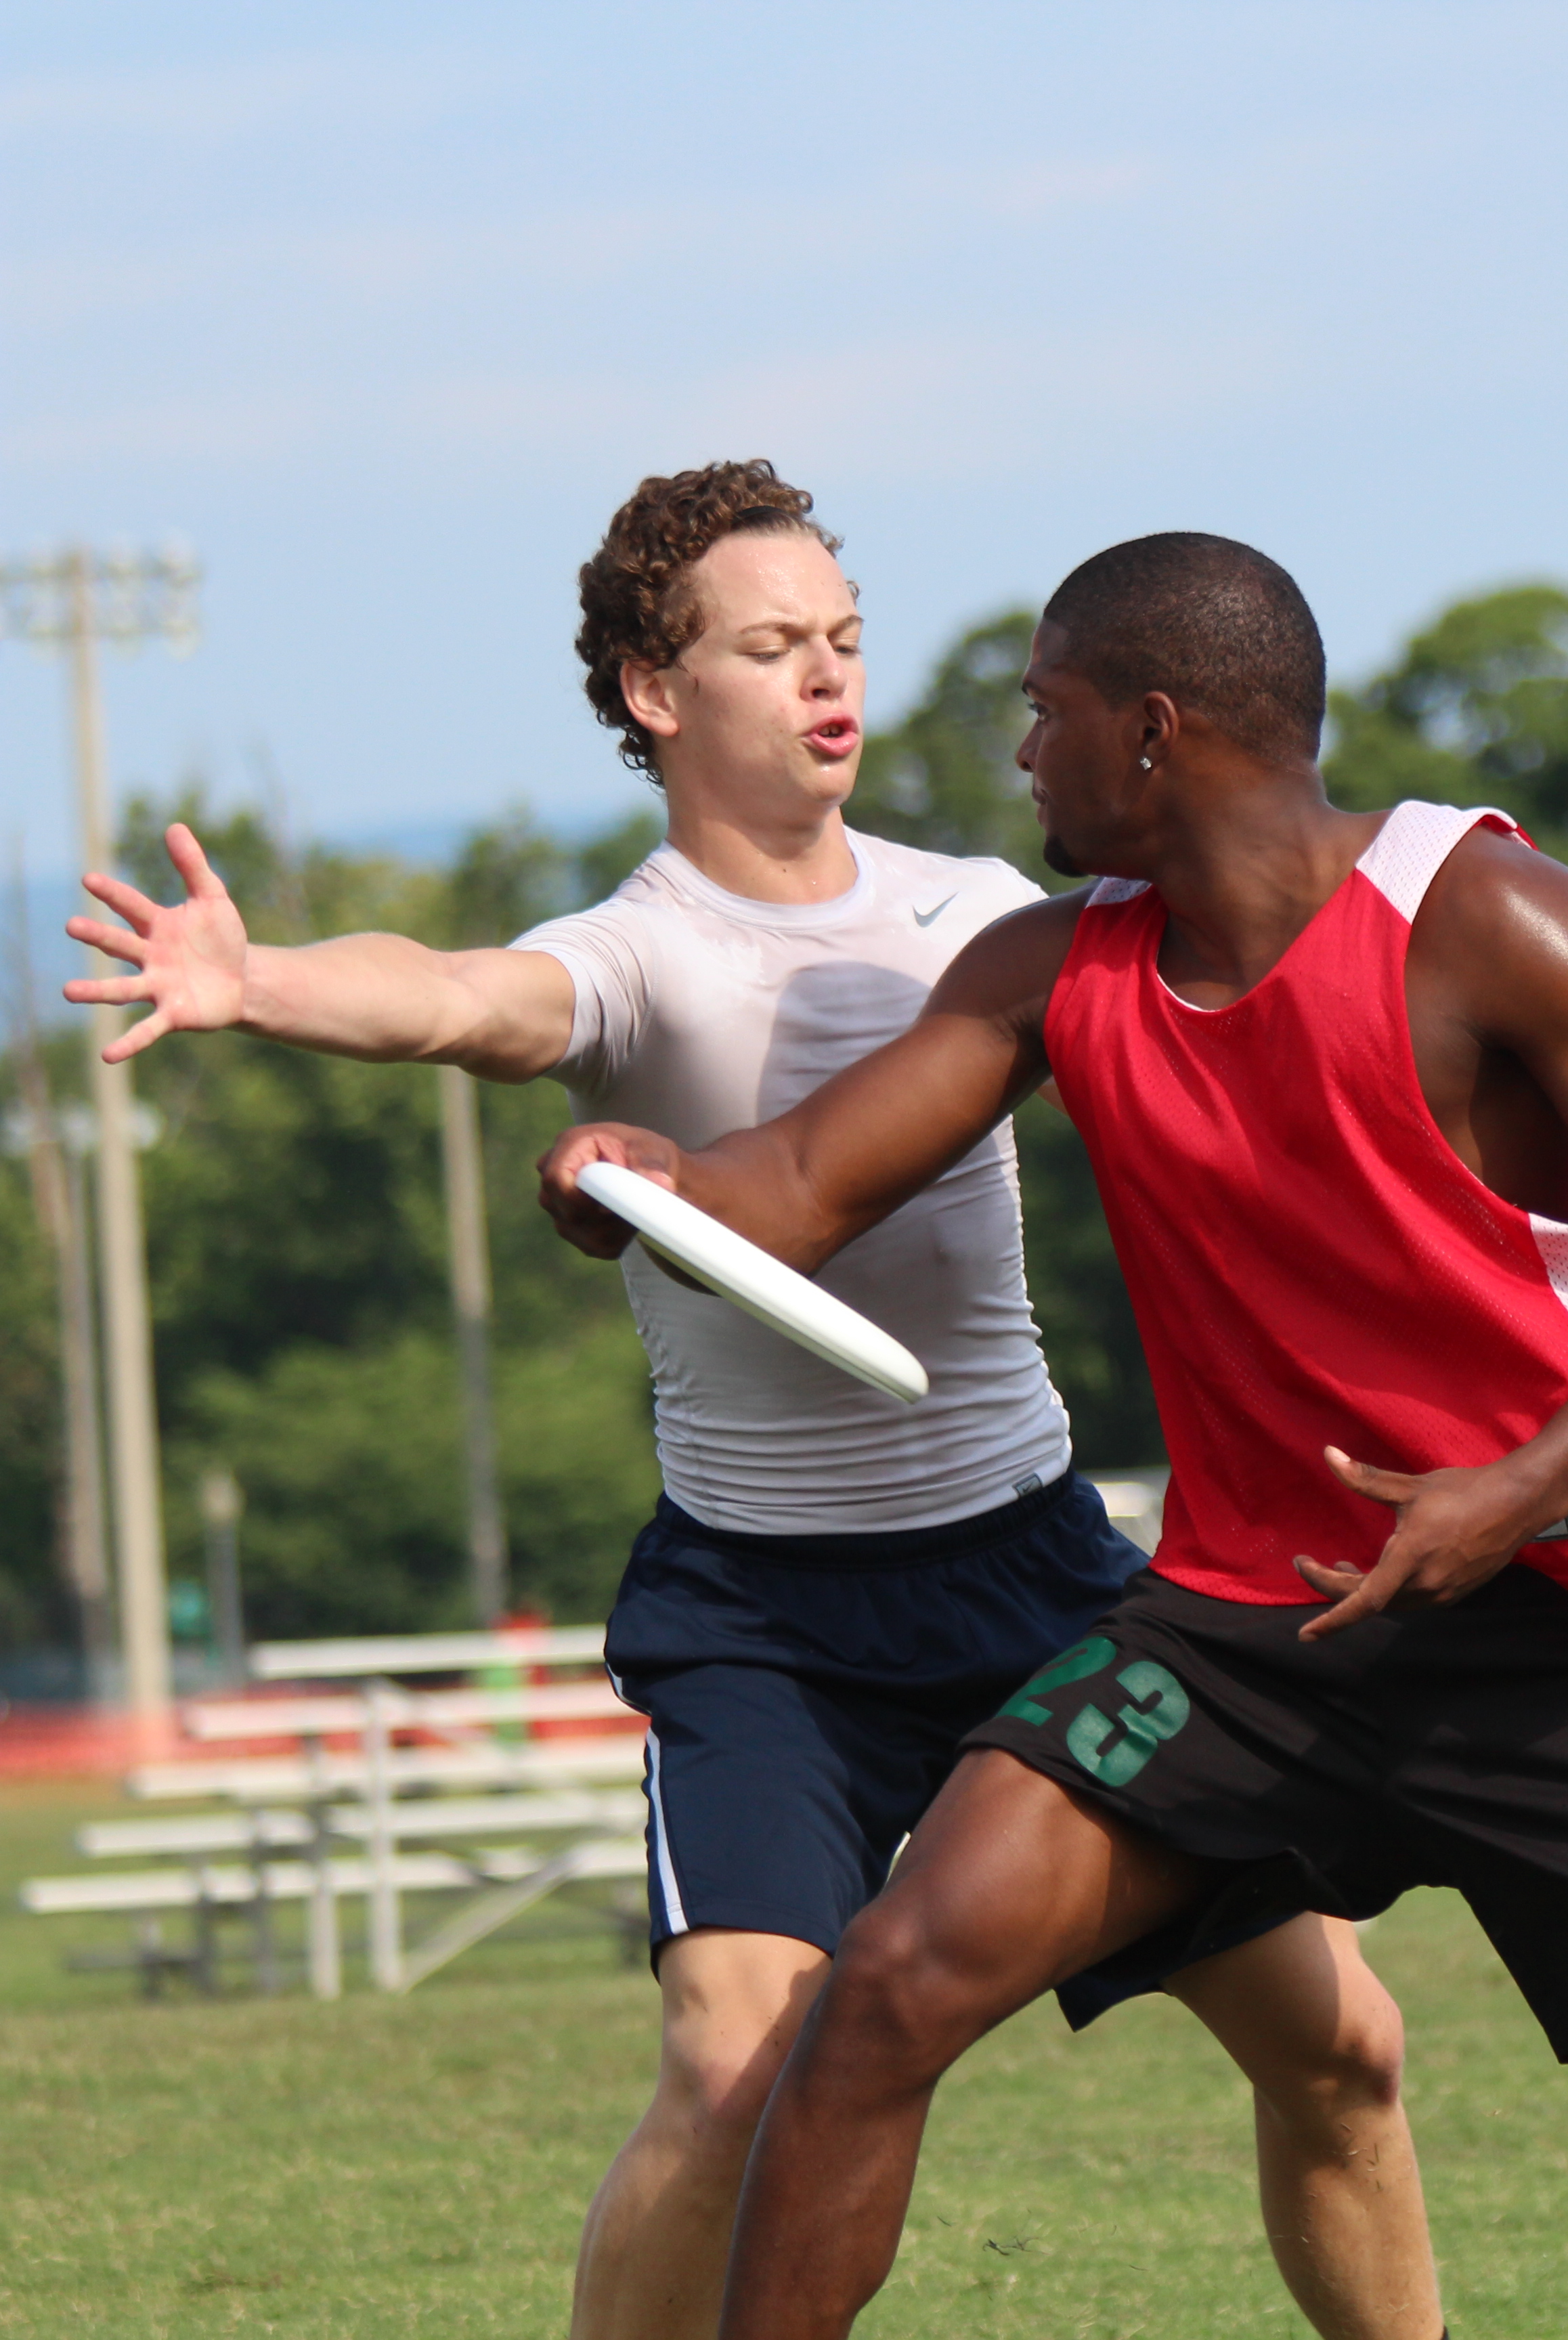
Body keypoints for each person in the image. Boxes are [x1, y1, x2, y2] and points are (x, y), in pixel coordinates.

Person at [536, 530, 1568, 2340]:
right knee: (890, 1987)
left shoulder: (1489, 918)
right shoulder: (1049, 968)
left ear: (1154, 733)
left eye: (1049, 715)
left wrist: (1517, 1492)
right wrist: (644, 1179)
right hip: (1242, 1646)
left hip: (1556, 1640)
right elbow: (796, 1186)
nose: (1022, 755)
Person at [67, 471, 1443, 2340]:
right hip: (770, 1625)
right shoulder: (639, 955)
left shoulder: (984, 911)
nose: (829, 680)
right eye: (774, 645)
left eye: (846, 641)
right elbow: (456, 996)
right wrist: (262, 983)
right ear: (656, 690)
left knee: (1344, 2047)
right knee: (734, 2078)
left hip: (1043, 1583)